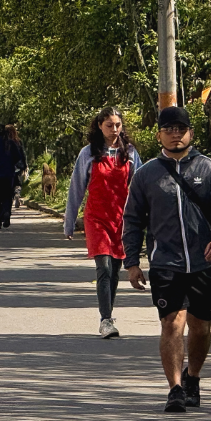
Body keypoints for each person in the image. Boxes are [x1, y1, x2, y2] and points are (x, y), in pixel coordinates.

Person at [122, 105, 211, 413]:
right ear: (159, 134)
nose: (175, 135)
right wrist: (132, 262)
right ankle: (174, 389)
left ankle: (193, 378)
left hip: (203, 263)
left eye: (181, 129)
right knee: (173, 323)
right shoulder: (146, 174)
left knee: (200, 327)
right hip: (165, 263)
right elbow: (132, 220)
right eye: (169, 130)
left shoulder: (209, 170)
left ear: (191, 133)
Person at [64, 107, 143, 339]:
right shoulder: (88, 153)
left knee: (116, 270)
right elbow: (76, 188)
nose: (114, 130)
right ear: (99, 126)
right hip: (96, 218)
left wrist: (146, 220)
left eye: (118, 125)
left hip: (121, 218)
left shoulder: (129, 153)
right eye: (109, 125)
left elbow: (139, 188)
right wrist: (69, 223)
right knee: (104, 267)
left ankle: (109, 314)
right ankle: (105, 320)